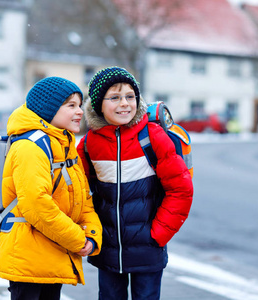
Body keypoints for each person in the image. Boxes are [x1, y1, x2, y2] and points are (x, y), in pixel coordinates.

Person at [77, 67, 193, 300]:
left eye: (130, 96)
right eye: (115, 97)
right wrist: (89, 231)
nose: (124, 104)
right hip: (108, 247)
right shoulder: (90, 144)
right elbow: (80, 193)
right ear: (99, 104)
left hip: (148, 247)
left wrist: (158, 234)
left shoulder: (151, 136)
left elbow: (181, 189)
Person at [0, 77, 103, 300]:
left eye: (80, 105)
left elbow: (83, 200)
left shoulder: (64, 145)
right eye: (71, 105)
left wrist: (91, 235)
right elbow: (36, 205)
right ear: (49, 109)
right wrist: (77, 239)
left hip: (53, 254)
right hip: (29, 259)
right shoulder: (30, 148)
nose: (80, 112)